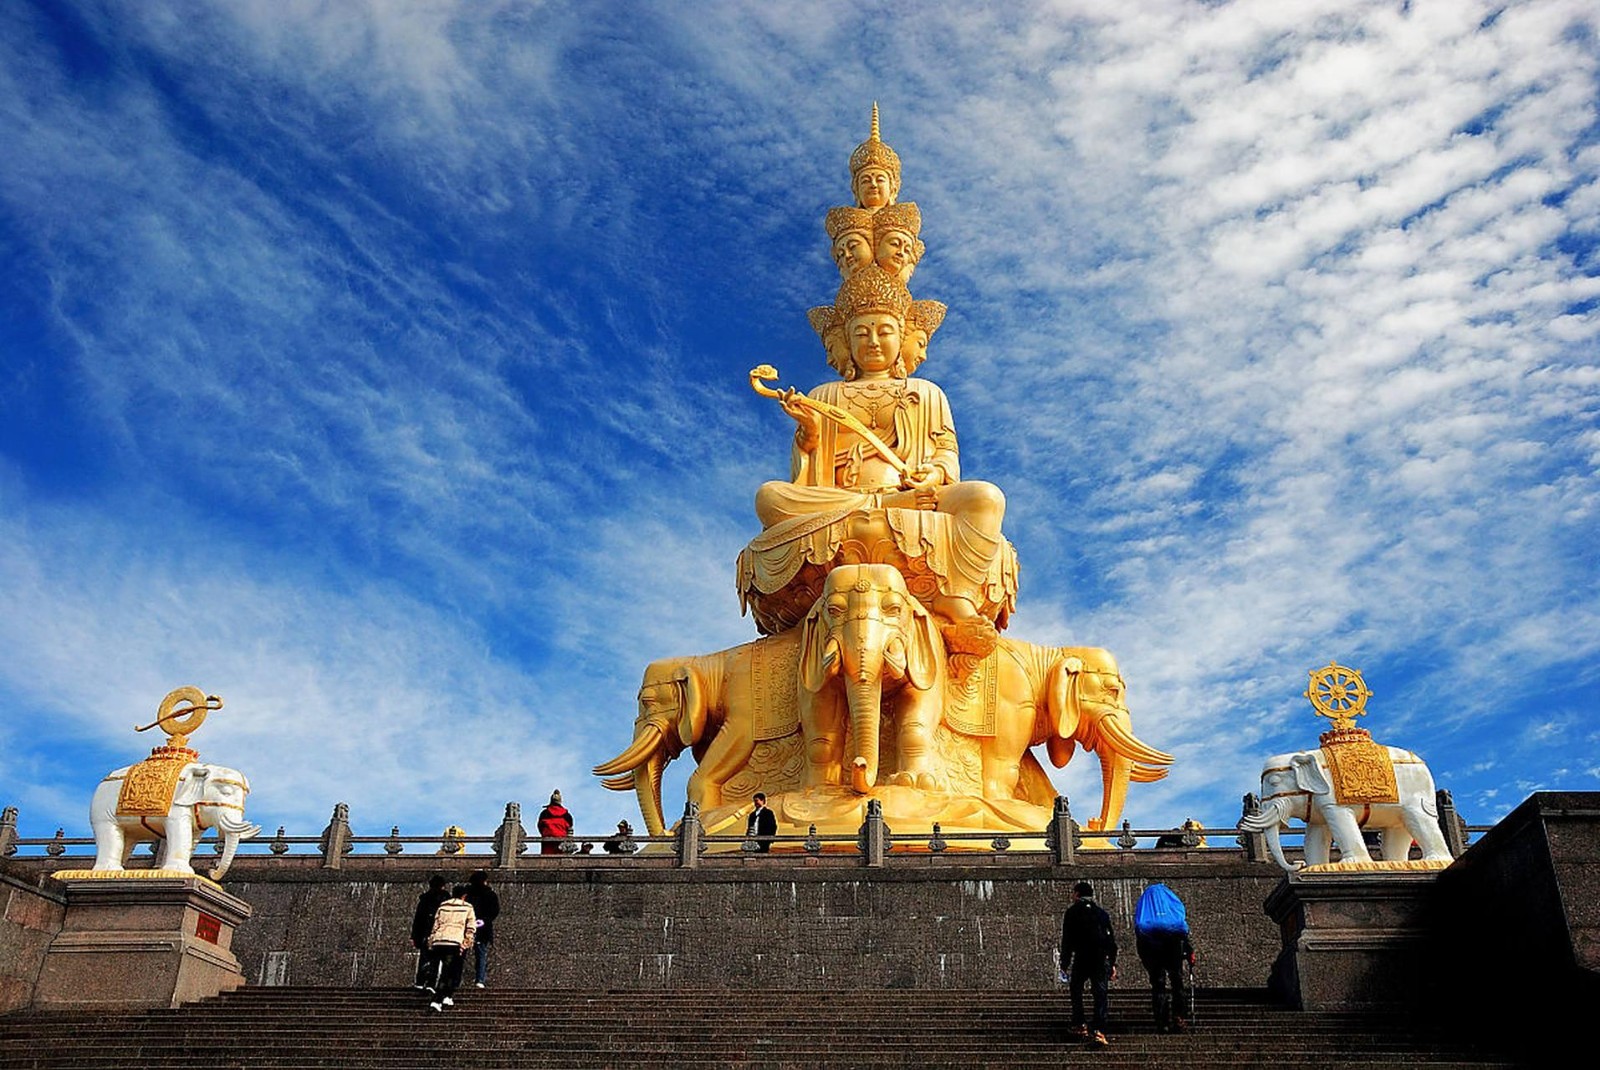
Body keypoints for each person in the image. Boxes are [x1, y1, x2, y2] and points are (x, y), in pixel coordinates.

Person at [743, 264, 1015, 655]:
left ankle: (957, 598)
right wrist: (810, 432)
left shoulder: (927, 393)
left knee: (986, 498)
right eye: (861, 333)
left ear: (904, 339)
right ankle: (888, 504)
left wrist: (934, 473)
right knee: (770, 497)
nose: (873, 341)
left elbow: (946, 453)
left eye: (884, 331)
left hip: (917, 494)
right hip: (847, 500)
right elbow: (808, 478)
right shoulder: (824, 396)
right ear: (844, 342)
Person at [1059, 880, 1118, 1047]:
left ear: (1077, 894)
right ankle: (1099, 1030)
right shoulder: (1101, 913)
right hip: (1100, 957)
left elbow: (1067, 939)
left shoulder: (1072, 912)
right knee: (1100, 993)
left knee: (1076, 988)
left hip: (1082, 957)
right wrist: (1112, 962)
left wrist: (1064, 962)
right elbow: (1110, 939)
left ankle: (1080, 1023)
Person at [1134, 882, 1195, 1033]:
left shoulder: (1146, 916)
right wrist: (1189, 952)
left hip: (1152, 952)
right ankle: (1179, 1017)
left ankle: (1162, 1022)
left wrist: (1145, 958)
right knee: (1177, 982)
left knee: (1158, 985)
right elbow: (1183, 934)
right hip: (1173, 949)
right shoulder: (1172, 917)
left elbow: (1140, 937)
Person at [423, 884, 476, 1013]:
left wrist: (431, 941)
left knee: (442, 970)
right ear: (464, 896)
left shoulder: (443, 906)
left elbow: (435, 925)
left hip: (439, 941)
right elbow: (470, 928)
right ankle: (438, 999)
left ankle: (445, 994)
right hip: (454, 942)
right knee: (449, 972)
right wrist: (466, 944)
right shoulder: (467, 907)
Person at [409, 875, 449, 990]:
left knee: (424, 958)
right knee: (436, 959)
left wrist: (415, 936)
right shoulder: (446, 900)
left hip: (425, 934)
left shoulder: (425, 899)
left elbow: (418, 919)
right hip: (440, 934)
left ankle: (420, 982)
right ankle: (431, 983)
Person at [463, 871, 500, 989]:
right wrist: (484, 920)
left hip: (465, 926)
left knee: (461, 953)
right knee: (481, 954)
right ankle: (480, 979)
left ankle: (456, 979)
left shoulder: (467, 894)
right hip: (482, 927)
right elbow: (494, 911)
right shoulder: (490, 894)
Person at [537, 790, 573, 854]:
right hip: (562, 842)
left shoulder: (544, 813)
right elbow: (570, 828)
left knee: (547, 858)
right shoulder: (567, 815)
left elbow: (540, 827)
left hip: (547, 842)